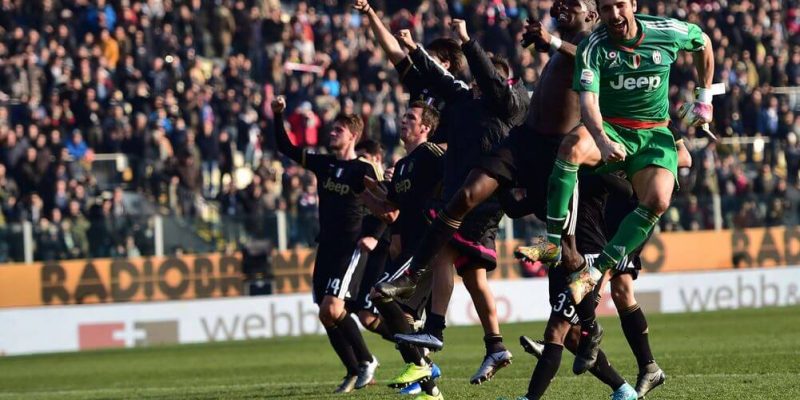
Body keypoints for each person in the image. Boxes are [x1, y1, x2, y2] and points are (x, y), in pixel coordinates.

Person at [376, 1, 637, 399]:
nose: (565, 6)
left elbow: (586, 56)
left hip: (555, 160)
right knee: (464, 196)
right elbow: (443, 79)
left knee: (568, 271)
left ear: (593, 15)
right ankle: (416, 279)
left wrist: (547, 40)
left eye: (577, 4)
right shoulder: (556, 53)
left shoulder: (592, 44)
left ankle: (606, 351)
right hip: (525, 145)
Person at [528, 0, 713, 396]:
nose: (613, 15)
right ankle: (551, 242)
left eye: (619, 6)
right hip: (611, 129)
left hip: (653, 136)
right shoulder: (595, 46)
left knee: (659, 200)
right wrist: (600, 138)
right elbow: (589, 106)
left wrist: (704, 98)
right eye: (606, 7)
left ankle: (597, 279)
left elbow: (704, 43)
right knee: (570, 148)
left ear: (632, 5)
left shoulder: (667, 31)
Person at [378, 19, 529, 385]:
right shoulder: (465, 100)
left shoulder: (504, 105)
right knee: (474, 278)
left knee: (444, 251)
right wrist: (415, 48)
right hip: (470, 199)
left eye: (483, 78)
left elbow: (490, 83)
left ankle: (435, 328)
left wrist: (467, 42)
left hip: (481, 202)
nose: (475, 83)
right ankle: (495, 346)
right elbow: (438, 77)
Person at [271, 96, 381, 394]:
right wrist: (277, 115)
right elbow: (286, 148)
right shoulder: (325, 164)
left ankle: (368, 360)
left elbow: (386, 208)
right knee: (324, 312)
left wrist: (375, 234)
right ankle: (353, 369)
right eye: (332, 129)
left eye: (338, 130)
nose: (332, 133)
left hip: (350, 249)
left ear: (353, 136)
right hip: (327, 248)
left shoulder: (364, 169)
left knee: (334, 307)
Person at [361, 101, 446, 399]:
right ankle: (431, 390)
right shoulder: (401, 166)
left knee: (379, 294)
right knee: (406, 321)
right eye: (403, 116)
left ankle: (423, 365)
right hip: (411, 247)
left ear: (426, 127)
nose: (403, 120)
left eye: (411, 117)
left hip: (427, 245)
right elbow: (390, 209)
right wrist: (366, 190)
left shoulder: (432, 153)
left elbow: (457, 164)